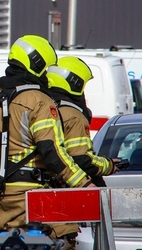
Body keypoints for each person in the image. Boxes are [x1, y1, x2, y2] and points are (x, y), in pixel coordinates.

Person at [0, 35, 91, 250]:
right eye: (45, 69)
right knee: (63, 239)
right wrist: (84, 184)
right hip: (29, 198)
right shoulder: (38, 100)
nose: (46, 75)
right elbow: (52, 151)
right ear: (37, 64)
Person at [47, 56, 125, 189]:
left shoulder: (46, 108)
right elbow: (81, 159)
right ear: (75, 83)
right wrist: (109, 165)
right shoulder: (73, 116)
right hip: (72, 190)